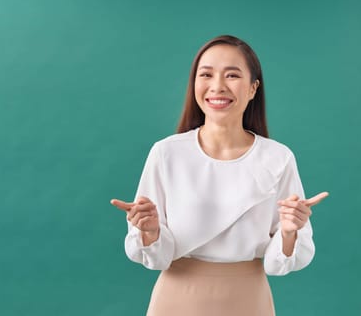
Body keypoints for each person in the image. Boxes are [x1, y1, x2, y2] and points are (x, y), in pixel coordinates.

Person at [110, 35, 329, 316]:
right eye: (206, 74)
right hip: (176, 300)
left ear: (253, 89)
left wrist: (289, 232)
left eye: (232, 75)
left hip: (250, 300)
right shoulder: (166, 153)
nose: (217, 86)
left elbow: (280, 263)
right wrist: (149, 231)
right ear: (194, 84)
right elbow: (155, 257)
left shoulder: (277, 158)